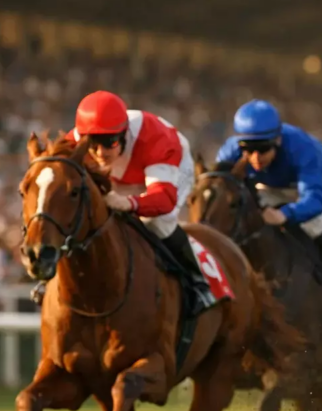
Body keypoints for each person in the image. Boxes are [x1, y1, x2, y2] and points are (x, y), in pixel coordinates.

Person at [69, 90, 216, 314]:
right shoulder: (74, 141)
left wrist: (131, 203)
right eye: (93, 143)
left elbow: (164, 200)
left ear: (124, 134)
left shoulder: (155, 140)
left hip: (168, 169)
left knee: (156, 222)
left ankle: (198, 283)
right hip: (121, 175)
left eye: (109, 142)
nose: (100, 152)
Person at [214, 99, 322, 272]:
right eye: (248, 149)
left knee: (311, 221)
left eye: (263, 149)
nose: (255, 158)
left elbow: (314, 201)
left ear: (277, 140)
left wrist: (285, 214)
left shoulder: (301, 149)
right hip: (272, 184)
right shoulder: (230, 152)